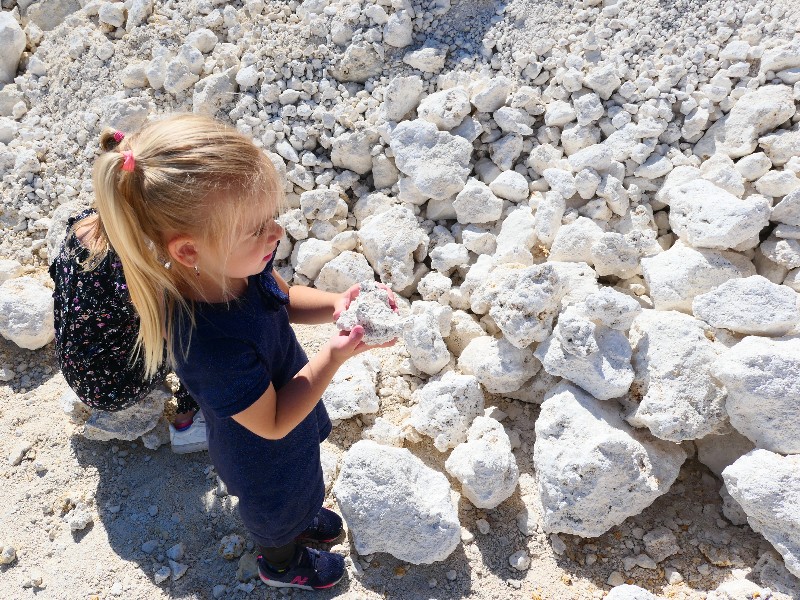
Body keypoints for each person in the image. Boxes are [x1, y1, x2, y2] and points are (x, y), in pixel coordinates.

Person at [90, 113, 396, 591]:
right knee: (275, 512)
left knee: (303, 480)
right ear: (189, 250)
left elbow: (286, 299)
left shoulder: (240, 268)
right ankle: (280, 562)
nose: (275, 233)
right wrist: (333, 358)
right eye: (256, 228)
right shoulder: (205, 341)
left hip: (292, 408)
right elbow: (272, 423)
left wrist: (339, 305)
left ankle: (301, 517)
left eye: (271, 218)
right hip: (261, 452)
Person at [49, 186, 207, 454]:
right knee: (195, 320)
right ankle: (188, 423)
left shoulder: (83, 225)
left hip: (77, 365)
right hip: (112, 386)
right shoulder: (127, 264)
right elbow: (170, 329)